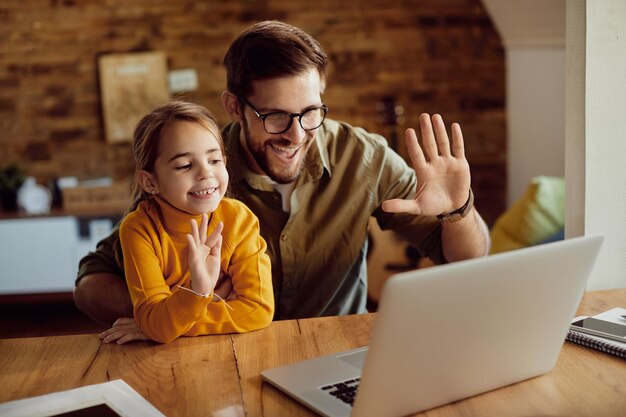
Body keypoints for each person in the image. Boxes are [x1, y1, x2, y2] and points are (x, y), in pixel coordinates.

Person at [75, 20, 490, 334]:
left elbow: (467, 258)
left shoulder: (365, 156)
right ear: (234, 106)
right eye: (275, 116)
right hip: (225, 354)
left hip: (336, 351)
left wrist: (459, 210)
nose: (296, 135)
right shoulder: (193, 172)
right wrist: (168, 313)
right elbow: (91, 283)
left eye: (311, 113)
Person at [97, 101, 274, 344]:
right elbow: (155, 322)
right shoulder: (138, 229)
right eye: (184, 165)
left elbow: (258, 310)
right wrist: (199, 292)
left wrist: (171, 321)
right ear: (150, 182)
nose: (205, 173)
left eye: (214, 161)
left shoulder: (239, 219)